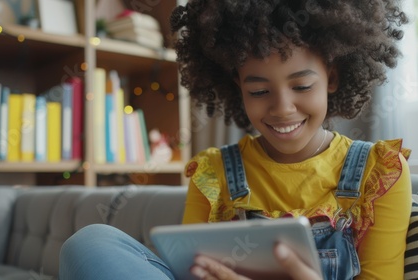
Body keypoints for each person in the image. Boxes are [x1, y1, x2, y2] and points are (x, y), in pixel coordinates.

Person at [59, 0, 412, 279]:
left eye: (302, 86)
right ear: (236, 87)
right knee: (91, 243)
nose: (282, 108)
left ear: (332, 77)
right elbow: (188, 269)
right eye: (259, 90)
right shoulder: (214, 173)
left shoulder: (378, 173)